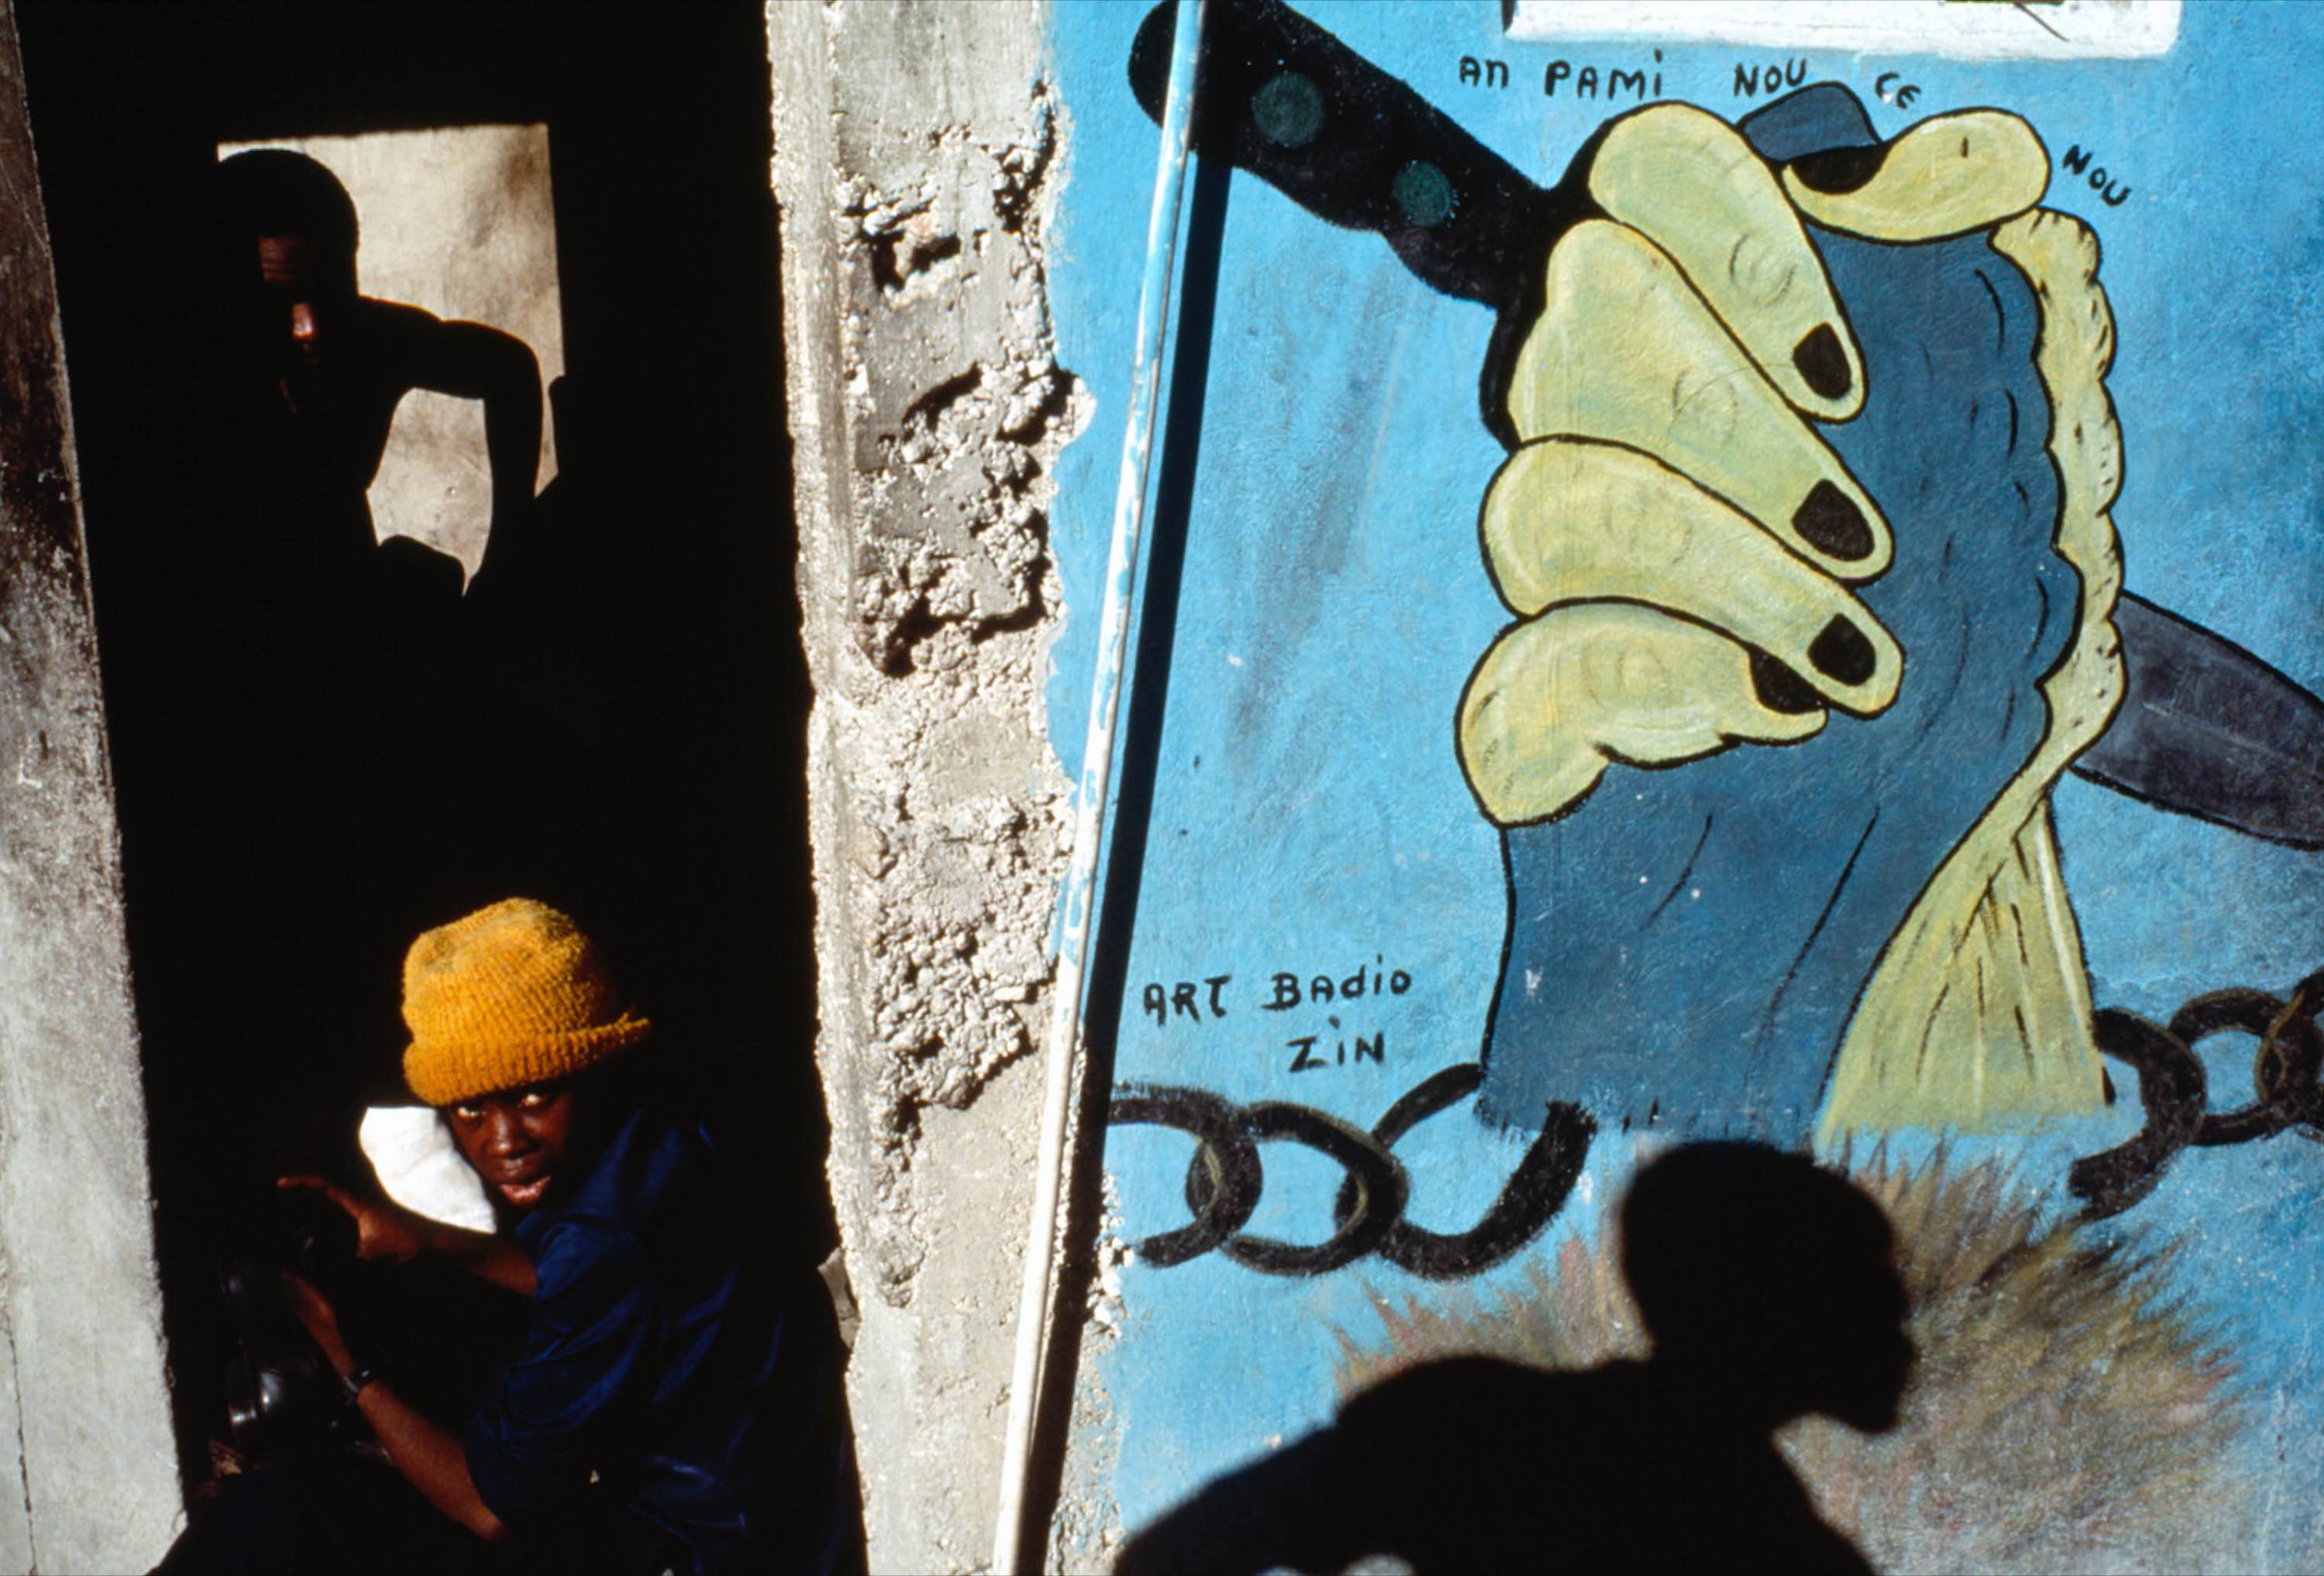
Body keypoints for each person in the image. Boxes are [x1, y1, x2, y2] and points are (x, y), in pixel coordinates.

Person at [156, 898, 863, 1575]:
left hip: (701, 1551)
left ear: (591, 1065)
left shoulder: (599, 1241)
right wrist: (435, 1241)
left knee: (279, 1518)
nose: (504, 1142)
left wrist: (345, 1362)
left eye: (534, 1094)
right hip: (765, 1520)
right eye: (470, 1108)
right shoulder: (662, 1143)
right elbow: (619, 1282)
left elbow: (490, 1510)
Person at [1114, 1143, 1913, 1575]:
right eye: (1870, 1290)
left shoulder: (1478, 1422)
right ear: (1765, 1309)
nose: (1902, 1325)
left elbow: (1180, 1551)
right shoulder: (1761, 1533)